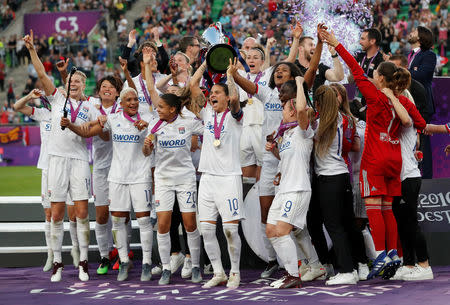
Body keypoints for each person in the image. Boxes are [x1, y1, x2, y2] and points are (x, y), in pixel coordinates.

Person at [231, 23, 324, 279]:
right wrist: (233, 74)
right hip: (274, 155)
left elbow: (313, 68)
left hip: (295, 157)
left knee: (293, 221)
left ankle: (308, 262)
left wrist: (319, 43)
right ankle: (282, 262)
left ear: (293, 75)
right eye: (277, 70)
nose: (280, 72)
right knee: (268, 215)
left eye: (285, 69)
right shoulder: (268, 93)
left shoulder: (299, 94)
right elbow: (247, 87)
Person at [322, 29, 417, 280]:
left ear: (381, 79)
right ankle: (395, 253)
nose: (371, 77)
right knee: (388, 209)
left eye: (374, 74)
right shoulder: (403, 100)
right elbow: (417, 122)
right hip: (395, 157)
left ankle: (382, 254)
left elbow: (355, 69)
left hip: (375, 159)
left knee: (374, 209)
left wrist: (336, 44)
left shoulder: (374, 95)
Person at [24, 30, 97, 282]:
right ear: (67, 83)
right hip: (55, 160)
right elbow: (42, 74)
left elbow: (91, 131)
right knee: (56, 214)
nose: (74, 83)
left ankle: (84, 262)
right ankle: (57, 262)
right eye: (71, 80)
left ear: (84, 85)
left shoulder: (90, 106)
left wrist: (75, 125)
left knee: (82, 213)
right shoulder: (56, 100)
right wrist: (33, 50)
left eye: (79, 80)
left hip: (78, 161)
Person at [62, 88, 155, 282]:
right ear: (121, 103)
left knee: (144, 220)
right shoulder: (112, 118)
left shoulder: (147, 119)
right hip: (117, 177)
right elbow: (87, 132)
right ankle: (123, 261)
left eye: (135, 99)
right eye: (128, 100)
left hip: (140, 177)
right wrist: (71, 125)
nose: (132, 103)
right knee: (118, 220)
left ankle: (146, 263)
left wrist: (147, 132)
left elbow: (148, 151)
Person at [142, 93, 203, 285]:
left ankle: (194, 266)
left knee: (190, 224)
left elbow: (209, 130)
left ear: (172, 109)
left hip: (185, 179)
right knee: (163, 225)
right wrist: (146, 146)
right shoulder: (154, 125)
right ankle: (167, 268)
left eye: (161, 107)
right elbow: (146, 152)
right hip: (163, 180)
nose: (157, 110)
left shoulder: (188, 121)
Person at [197, 59, 243, 289]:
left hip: (229, 178)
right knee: (206, 229)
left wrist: (231, 76)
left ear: (226, 97)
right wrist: (204, 66)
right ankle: (218, 272)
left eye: (217, 92)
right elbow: (191, 90)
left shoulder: (235, 116)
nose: (212, 95)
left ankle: (235, 272)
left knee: (230, 229)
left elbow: (235, 100)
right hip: (207, 178)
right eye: (211, 92)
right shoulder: (206, 113)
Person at [264, 76, 314, 288]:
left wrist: (301, 84)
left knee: (283, 230)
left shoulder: (304, 131)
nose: (281, 112)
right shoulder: (285, 134)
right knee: (271, 231)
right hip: (283, 189)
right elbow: (286, 160)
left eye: (284, 108)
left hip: (297, 188)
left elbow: (303, 110)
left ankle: (294, 275)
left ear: (292, 111)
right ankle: (290, 272)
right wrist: (274, 150)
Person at [389, 88, 432, 281]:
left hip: (409, 177)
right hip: (399, 178)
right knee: (402, 224)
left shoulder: (407, 121)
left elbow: (406, 118)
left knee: (411, 223)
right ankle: (408, 264)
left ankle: (424, 265)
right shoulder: (396, 120)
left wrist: (391, 96)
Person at [88, 76, 123, 275]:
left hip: (120, 168)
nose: (107, 89)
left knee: (119, 215)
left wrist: (102, 126)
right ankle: (104, 255)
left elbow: (107, 135)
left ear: (117, 92)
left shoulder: (122, 109)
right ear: (99, 92)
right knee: (101, 216)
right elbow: (75, 93)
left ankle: (121, 254)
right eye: (103, 86)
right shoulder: (92, 108)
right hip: (100, 168)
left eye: (111, 87)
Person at [407, 26, 437, 179]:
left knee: (423, 143)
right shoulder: (410, 55)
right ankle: (412, 176)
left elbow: (423, 76)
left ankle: (427, 180)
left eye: (414, 31)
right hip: (409, 105)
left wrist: (402, 71)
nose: (410, 32)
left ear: (421, 37)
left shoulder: (429, 55)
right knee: (410, 142)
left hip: (422, 105)